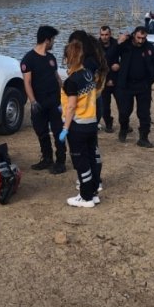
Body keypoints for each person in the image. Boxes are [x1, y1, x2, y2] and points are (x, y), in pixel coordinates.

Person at [58, 35, 101, 208]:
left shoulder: (72, 81)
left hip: (78, 126)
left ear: (68, 58)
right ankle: (93, 192)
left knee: (81, 162)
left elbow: (71, 106)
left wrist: (65, 128)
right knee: (92, 158)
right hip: (91, 123)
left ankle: (85, 197)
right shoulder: (89, 74)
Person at [21, 25, 66, 174]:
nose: (54, 43)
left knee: (58, 131)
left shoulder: (51, 58)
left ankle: (60, 161)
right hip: (39, 103)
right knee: (41, 132)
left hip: (54, 102)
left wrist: (66, 92)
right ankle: (47, 159)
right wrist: (33, 102)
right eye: (53, 39)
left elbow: (57, 77)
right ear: (47, 40)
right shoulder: (29, 59)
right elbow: (27, 82)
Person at [108, 26, 154, 148]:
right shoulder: (125, 44)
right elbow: (109, 56)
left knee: (144, 113)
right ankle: (124, 128)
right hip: (126, 85)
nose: (141, 41)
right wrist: (118, 43)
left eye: (143, 38)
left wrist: (151, 80)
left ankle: (143, 138)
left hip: (143, 85)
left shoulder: (148, 47)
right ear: (133, 35)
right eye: (138, 38)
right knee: (124, 111)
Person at [99, 25, 121, 133]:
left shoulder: (117, 44)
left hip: (117, 78)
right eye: (102, 35)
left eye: (106, 34)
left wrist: (119, 65)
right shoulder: (96, 47)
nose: (104, 37)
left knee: (122, 104)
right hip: (103, 79)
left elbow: (126, 58)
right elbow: (101, 62)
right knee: (105, 106)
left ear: (110, 34)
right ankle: (108, 123)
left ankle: (124, 123)